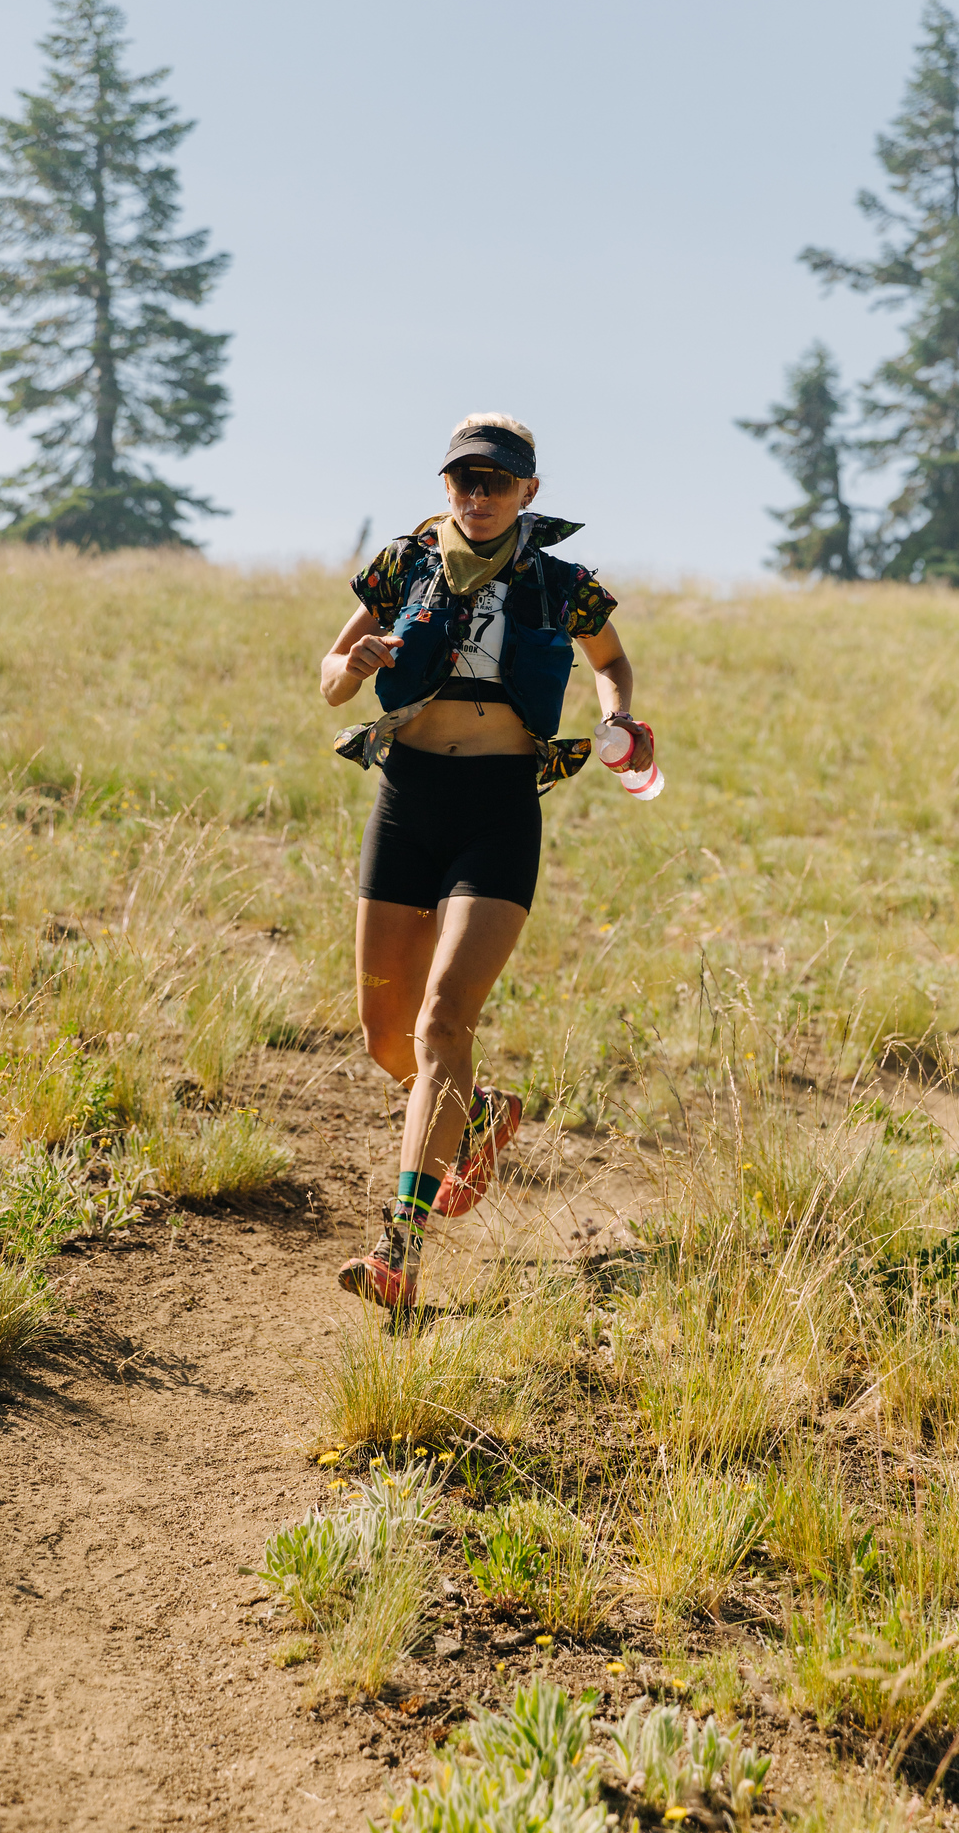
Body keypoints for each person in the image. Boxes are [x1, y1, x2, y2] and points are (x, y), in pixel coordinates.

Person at [319, 413, 653, 1309]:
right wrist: (354, 663)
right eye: (464, 480)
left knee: (440, 1025)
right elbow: (329, 674)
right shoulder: (401, 566)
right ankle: (481, 1120)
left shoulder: (561, 583)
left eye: (495, 482)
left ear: (528, 493)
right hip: (408, 800)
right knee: (384, 1037)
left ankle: (400, 1251)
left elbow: (611, 661)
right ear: (446, 487)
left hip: (500, 811)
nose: (477, 496)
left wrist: (617, 715)